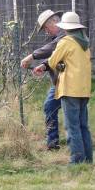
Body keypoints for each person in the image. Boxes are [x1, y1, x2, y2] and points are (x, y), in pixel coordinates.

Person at [33, 12, 93, 164]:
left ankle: (76, 161)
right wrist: (63, 64)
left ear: (65, 27)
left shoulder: (66, 41)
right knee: (83, 126)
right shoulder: (85, 43)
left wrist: (58, 64)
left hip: (69, 90)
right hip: (84, 90)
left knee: (71, 126)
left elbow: (52, 62)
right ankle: (88, 160)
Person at [21, 10, 65, 150]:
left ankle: (78, 150)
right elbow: (55, 56)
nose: (46, 31)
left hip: (68, 82)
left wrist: (32, 56)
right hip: (59, 82)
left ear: (54, 22)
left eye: (46, 27)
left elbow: (54, 48)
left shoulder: (65, 34)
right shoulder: (58, 36)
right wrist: (44, 66)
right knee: (49, 107)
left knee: (73, 115)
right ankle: (52, 144)